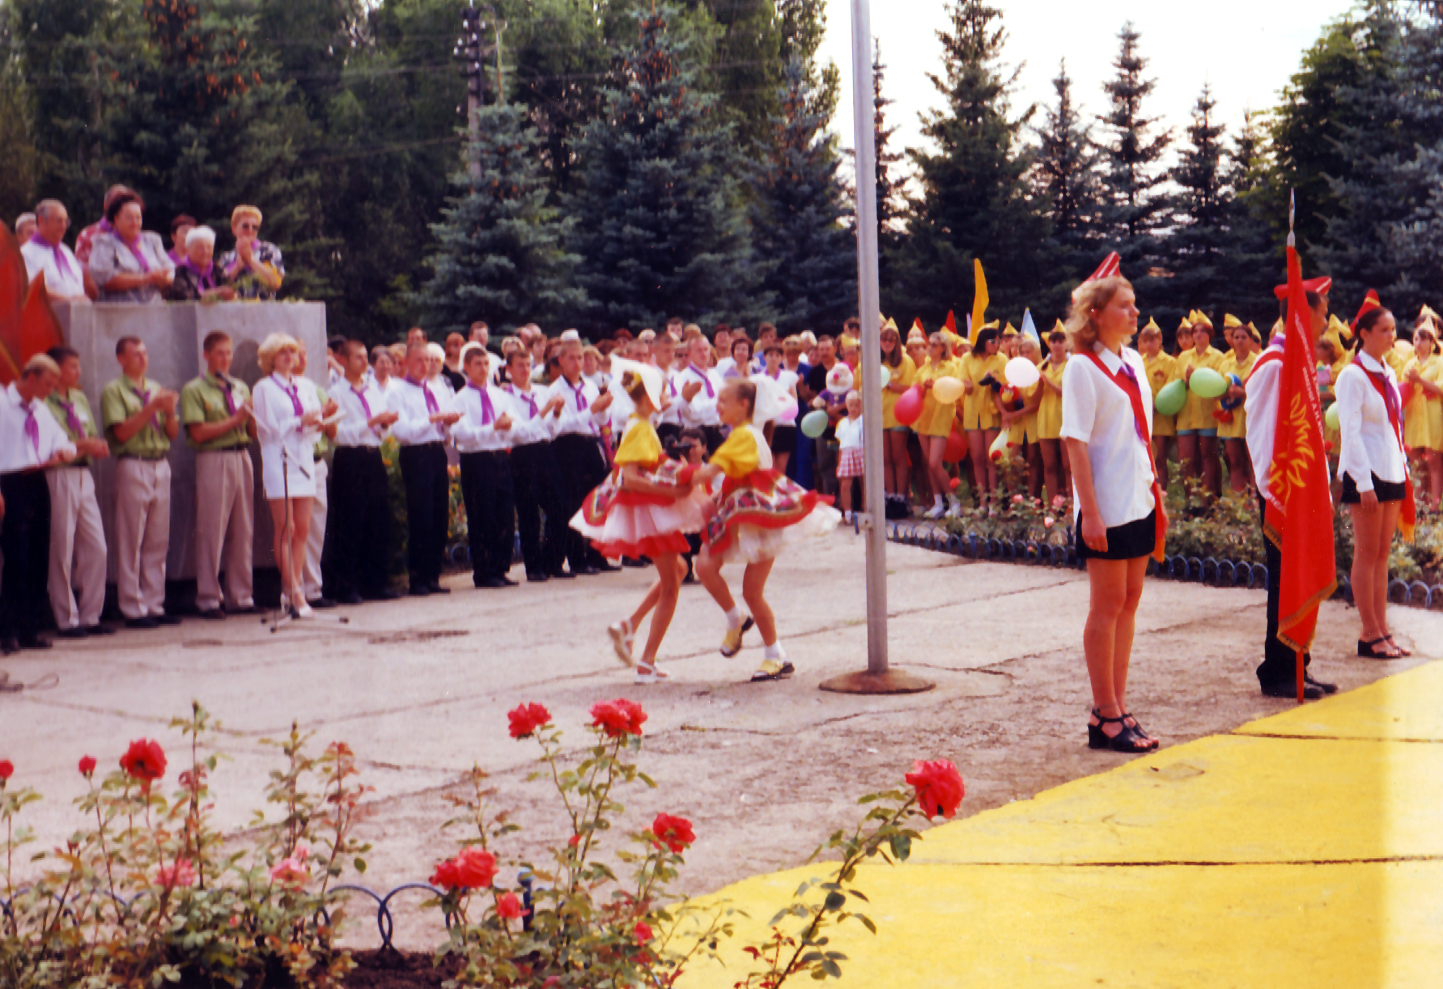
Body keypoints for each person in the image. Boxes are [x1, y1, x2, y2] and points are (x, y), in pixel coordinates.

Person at [1060, 273, 1165, 754]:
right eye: (1124, 305)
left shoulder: (1135, 362)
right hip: (1105, 504)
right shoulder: (1082, 368)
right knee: (1106, 606)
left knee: (1130, 601)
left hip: (1138, 498)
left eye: (1135, 304)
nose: (1134, 312)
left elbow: (1139, 432)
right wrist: (1090, 514)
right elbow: (1075, 444)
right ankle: (1103, 713)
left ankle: (1119, 706)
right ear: (1096, 314)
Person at [692, 379, 840, 682]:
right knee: (705, 565)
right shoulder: (743, 433)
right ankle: (737, 619)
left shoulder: (744, 435)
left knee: (750, 590)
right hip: (737, 511)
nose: (717, 406)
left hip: (757, 516)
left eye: (723, 400)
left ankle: (776, 655)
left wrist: (668, 477)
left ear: (743, 405)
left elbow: (708, 471)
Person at [575, 364, 704, 682]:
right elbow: (630, 479)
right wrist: (671, 488)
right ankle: (646, 661)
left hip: (650, 510)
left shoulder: (642, 425)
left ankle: (629, 626)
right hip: (649, 512)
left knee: (679, 570)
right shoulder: (640, 428)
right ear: (648, 396)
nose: (665, 396)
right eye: (661, 390)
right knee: (673, 585)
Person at [1245, 284, 1338, 699]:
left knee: (1299, 579)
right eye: (1323, 312)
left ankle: (1298, 663)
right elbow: (1263, 434)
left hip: (1301, 493)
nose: (1327, 321)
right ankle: (1278, 670)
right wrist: (1274, 493)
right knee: (1284, 584)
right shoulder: (1275, 364)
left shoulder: (1297, 361)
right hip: (1282, 493)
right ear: (1305, 312)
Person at [1337, 307, 1414, 660]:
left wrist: (1405, 470)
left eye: (1393, 329)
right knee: (1367, 554)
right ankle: (1368, 633)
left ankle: (1382, 628)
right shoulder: (1353, 376)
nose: (1391, 335)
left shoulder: (1385, 371)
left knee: (1382, 555)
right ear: (1364, 333)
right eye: (1384, 329)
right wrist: (1363, 482)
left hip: (1391, 470)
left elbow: (1392, 428)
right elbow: (1350, 434)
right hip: (1366, 474)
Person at [101, 338, 180, 627]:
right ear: (121, 358)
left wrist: (169, 411)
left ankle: (154, 602)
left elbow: (171, 433)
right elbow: (121, 433)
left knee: (157, 539)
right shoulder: (114, 390)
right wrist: (151, 408)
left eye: (145, 353)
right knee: (131, 537)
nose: (142, 359)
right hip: (132, 462)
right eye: (135, 354)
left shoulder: (156, 388)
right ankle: (131, 606)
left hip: (160, 461)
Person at [1, 355, 77, 653]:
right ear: (30, 377)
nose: (50, 390)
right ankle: (7, 631)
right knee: (16, 558)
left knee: (38, 556)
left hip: (36, 481)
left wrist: (64, 450)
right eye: (47, 383)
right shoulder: (3, 404)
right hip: (9, 481)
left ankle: (30, 628)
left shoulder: (40, 409)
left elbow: (61, 438)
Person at [180, 331, 257, 619]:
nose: (225, 358)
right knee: (212, 529)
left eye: (228, 353)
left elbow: (251, 429)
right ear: (207, 355)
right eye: (219, 353)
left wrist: (253, 418)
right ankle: (209, 597)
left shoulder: (240, 386)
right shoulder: (195, 389)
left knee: (243, 528)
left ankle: (241, 595)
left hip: (241, 454)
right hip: (214, 457)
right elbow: (198, 433)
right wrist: (234, 420)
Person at [252, 333, 323, 616]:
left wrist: (316, 421)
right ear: (271, 358)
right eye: (282, 352)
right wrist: (299, 420)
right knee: (287, 528)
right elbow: (267, 428)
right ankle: (295, 592)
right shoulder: (264, 388)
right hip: (278, 460)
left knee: (303, 529)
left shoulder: (303, 386)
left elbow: (310, 429)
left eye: (291, 352)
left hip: (303, 458)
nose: (288, 357)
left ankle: (292, 590)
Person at [43, 346, 112, 638]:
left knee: (96, 546)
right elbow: (52, 444)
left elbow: (89, 434)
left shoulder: (79, 398)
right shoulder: (44, 403)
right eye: (72, 367)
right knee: (62, 547)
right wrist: (84, 445)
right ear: (56, 370)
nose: (78, 372)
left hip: (84, 474)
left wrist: (95, 447)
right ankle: (65, 618)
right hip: (59, 475)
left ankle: (90, 614)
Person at [330, 340, 399, 603]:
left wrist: (384, 424)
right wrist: (369, 423)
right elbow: (338, 434)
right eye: (357, 357)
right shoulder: (337, 393)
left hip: (372, 455)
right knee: (351, 519)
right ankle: (347, 585)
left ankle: (376, 582)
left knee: (377, 518)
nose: (362, 362)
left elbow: (382, 430)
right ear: (344, 361)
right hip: (350, 456)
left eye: (363, 357)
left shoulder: (372, 391)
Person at [388, 341, 460, 595]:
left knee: (440, 514)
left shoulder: (437, 389)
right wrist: (431, 420)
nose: (425, 365)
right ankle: (418, 577)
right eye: (419, 360)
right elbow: (402, 431)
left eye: (428, 360)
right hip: (415, 453)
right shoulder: (397, 391)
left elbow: (447, 430)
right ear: (406, 362)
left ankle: (433, 575)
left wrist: (448, 423)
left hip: (436, 450)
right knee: (422, 515)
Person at [548, 340, 616, 575]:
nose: (578, 363)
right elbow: (561, 425)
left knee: (597, 499)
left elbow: (598, 420)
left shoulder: (588, 386)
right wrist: (593, 409)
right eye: (572, 358)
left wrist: (604, 407)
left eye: (580, 358)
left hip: (589, 444)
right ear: (561, 360)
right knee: (573, 502)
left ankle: (597, 555)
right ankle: (576, 558)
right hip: (568, 446)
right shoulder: (556, 390)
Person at [453, 345, 518, 589]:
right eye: (477, 364)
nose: (483, 369)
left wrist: (505, 426)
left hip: (499, 455)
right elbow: (464, 435)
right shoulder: (460, 398)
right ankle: (484, 569)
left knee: (503, 512)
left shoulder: (499, 394)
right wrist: (494, 428)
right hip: (477, 459)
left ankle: (500, 567)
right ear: (467, 367)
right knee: (483, 514)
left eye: (485, 364)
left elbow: (511, 420)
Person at [503, 349, 570, 581]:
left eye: (528, 365)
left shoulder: (541, 392)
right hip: (522, 453)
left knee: (560, 505)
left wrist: (557, 412)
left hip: (545, 450)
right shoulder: (506, 397)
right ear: (508, 370)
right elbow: (522, 431)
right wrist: (545, 411)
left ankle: (553, 560)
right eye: (519, 365)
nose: (525, 370)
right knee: (528, 509)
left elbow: (551, 430)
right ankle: (534, 566)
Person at [293, 342, 339, 609]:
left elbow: (333, 433)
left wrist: (329, 417)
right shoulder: (279, 390)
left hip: (317, 461)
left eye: (303, 352)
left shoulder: (316, 389)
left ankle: (313, 588)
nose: (300, 358)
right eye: (293, 353)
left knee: (316, 528)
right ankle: (295, 588)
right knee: (297, 528)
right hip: (295, 461)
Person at [88, 192, 175, 303]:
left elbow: (169, 269)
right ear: (116, 218)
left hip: (153, 311)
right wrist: (147, 278)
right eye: (129, 218)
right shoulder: (104, 243)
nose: (135, 222)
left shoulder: (153, 240)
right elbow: (105, 280)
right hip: (119, 312)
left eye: (138, 217)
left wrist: (164, 279)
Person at [1175, 314, 1226, 497]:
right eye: (1195, 331)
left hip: (1207, 413)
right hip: (1186, 415)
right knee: (1186, 460)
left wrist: (1197, 376)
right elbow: (1176, 386)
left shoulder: (1217, 357)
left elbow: (1218, 385)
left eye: (1202, 331)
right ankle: (1191, 500)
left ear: (1209, 334)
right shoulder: (1183, 357)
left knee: (1207, 457)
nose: (1198, 335)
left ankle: (1207, 500)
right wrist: (1187, 379)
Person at [960, 326, 1007, 511]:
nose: (996, 345)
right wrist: (968, 385)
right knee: (977, 457)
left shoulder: (1002, 359)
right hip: (973, 413)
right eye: (992, 341)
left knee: (991, 458)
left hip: (992, 411)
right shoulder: (967, 358)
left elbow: (1005, 386)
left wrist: (994, 382)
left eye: (998, 342)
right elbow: (964, 382)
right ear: (983, 342)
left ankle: (994, 502)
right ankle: (982, 502)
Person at [915, 332, 961, 518]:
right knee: (928, 463)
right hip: (923, 417)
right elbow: (915, 391)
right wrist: (923, 388)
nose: (930, 347)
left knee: (935, 463)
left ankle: (954, 502)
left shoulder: (951, 367)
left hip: (941, 416)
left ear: (943, 348)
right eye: (929, 344)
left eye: (934, 344)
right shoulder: (922, 368)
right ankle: (938, 503)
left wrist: (935, 386)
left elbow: (955, 390)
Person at [1402, 322, 1442, 510]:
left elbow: (1441, 388)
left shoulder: (1439, 361)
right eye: (1416, 339)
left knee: (1433, 461)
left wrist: (1421, 381)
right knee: (1416, 462)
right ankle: (1419, 504)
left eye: (1423, 339)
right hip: (1413, 416)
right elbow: (1402, 391)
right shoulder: (1410, 364)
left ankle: (1435, 504)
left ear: (1431, 342)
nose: (1418, 343)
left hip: (1431, 415)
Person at [880, 321, 917, 519]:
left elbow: (913, 387)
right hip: (881, 415)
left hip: (898, 414)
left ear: (897, 340)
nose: (887, 342)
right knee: (885, 458)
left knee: (898, 456)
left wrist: (893, 386)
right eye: (884, 338)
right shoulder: (878, 361)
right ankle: (890, 494)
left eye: (891, 338)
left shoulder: (906, 361)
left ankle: (902, 496)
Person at [1217, 318, 1259, 493]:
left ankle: (1255, 500)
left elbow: (1263, 391)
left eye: (1243, 337)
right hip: (1231, 418)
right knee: (1235, 461)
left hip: (1251, 418)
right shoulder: (1225, 364)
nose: (1240, 340)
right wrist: (1227, 393)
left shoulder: (1258, 362)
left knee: (1252, 461)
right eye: (1236, 337)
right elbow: (1216, 390)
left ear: (1250, 340)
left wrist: (1243, 393)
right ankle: (1239, 501)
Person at [20, 200, 89, 302]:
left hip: (75, 315)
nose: (63, 226)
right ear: (41, 220)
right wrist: (69, 300)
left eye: (66, 221)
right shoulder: (26, 254)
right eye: (58, 221)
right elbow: (32, 288)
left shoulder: (66, 252)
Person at [1137, 319, 1176, 490]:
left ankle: (1162, 491)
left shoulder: (1169, 362)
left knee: (1159, 456)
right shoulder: (1138, 362)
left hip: (1160, 416)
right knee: (1144, 457)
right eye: (1145, 341)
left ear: (1160, 340)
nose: (1149, 344)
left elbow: (1172, 387)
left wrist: (1157, 404)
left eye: (1152, 339)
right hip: (1141, 416)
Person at [802, 336, 842, 496]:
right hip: (822, 421)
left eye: (827, 349)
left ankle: (848, 501)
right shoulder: (815, 371)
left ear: (835, 349)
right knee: (825, 463)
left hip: (842, 419)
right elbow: (810, 395)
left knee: (844, 461)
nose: (824, 352)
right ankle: (831, 499)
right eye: (821, 349)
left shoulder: (844, 369)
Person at [218, 205, 284, 300]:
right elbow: (218, 289)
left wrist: (250, 260)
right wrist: (237, 267)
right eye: (245, 226)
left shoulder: (269, 250)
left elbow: (276, 283)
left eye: (254, 227)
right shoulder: (226, 257)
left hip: (263, 310)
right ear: (234, 228)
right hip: (233, 311)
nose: (250, 230)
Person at [1037, 329, 1072, 506]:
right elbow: (1034, 395)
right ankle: (1052, 506)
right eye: (1053, 340)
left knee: (1068, 466)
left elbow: (1068, 392)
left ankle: (1071, 506)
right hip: (1046, 418)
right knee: (1049, 465)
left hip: (1066, 418)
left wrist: (1048, 382)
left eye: (1061, 340)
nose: (1057, 344)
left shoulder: (1073, 365)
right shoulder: (1042, 366)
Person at [756, 342, 799, 476]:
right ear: (765, 357)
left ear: (781, 358)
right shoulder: (759, 378)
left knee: (781, 467)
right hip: (767, 426)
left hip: (785, 425)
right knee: (769, 465)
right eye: (770, 355)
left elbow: (794, 401)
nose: (774, 358)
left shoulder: (788, 377)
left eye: (777, 355)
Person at [676, 334, 725, 452]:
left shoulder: (715, 375)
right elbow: (694, 413)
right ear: (689, 353)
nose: (703, 354)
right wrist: (717, 405)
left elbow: (726, 404)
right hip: (696, 434)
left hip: (717, 431)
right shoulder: (683, 377)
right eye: (698, 350)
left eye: (706, 349)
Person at [168, 226, 236, 302]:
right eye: (200, 248)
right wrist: (216, 293)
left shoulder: (217, 270)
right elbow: (185, 298)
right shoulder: (180, 272)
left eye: (209, 247)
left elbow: (231, 290)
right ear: (188, 249)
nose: (205, 252)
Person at [835, 391, 866, 523]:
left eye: (856, 405)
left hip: (861, 452)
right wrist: (839, 463)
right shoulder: (842, 423)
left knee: (864, 482)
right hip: (847, 453)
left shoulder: (863, 421)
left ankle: (866, 509)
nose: (853, 408)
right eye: (851, 405)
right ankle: (847, 512)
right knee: (845, 484)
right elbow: (841, 445)